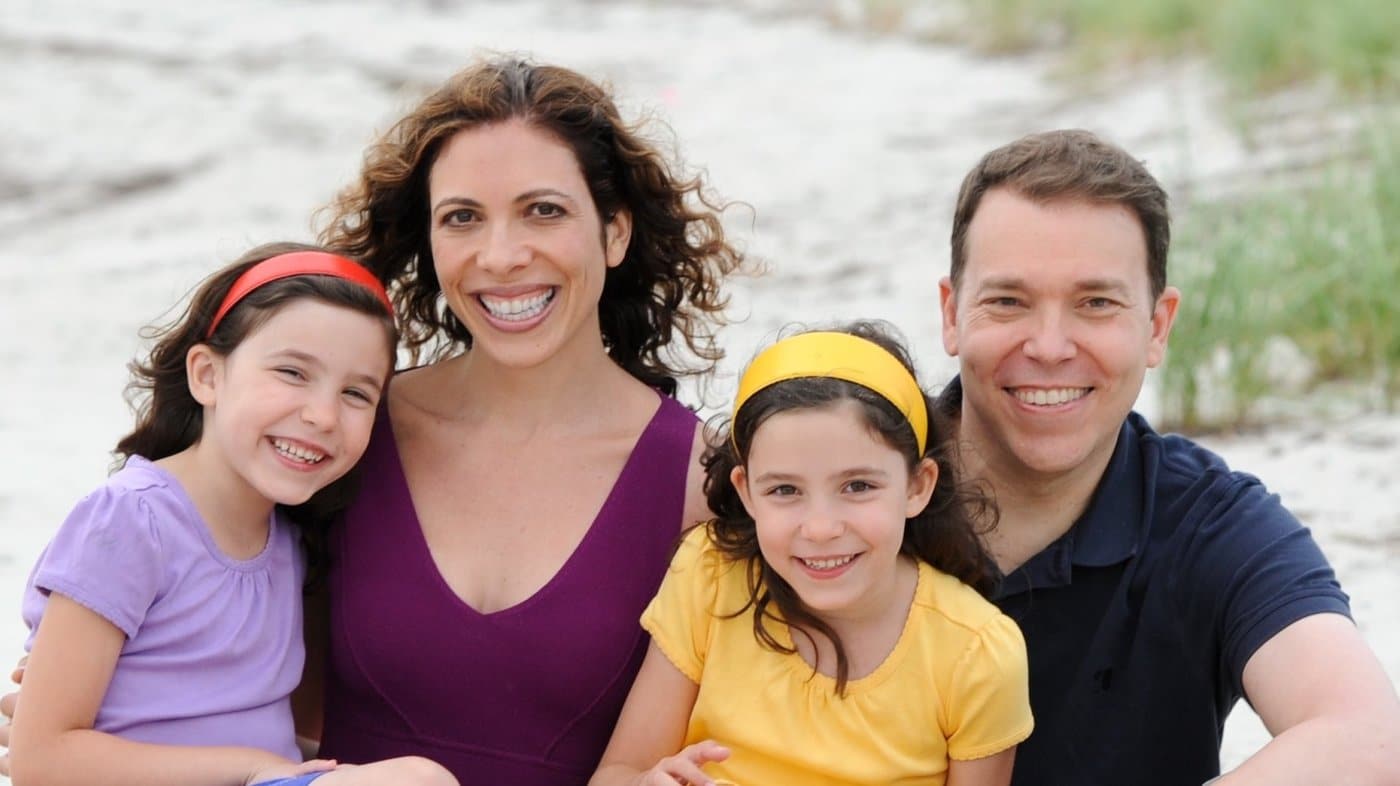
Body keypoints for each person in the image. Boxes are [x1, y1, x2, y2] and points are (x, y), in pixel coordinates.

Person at [1, 57, 743, 785]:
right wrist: (97, 705)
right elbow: (216, 626)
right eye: (462, 218)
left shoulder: (696, 483)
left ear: (613, 233)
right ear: (430, 240)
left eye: (543, 210)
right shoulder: (342, 431)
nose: (501, 254)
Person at [936, 129, 1400, 785]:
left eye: (1095, 303)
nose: (1048, 345)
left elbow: (1370, 740)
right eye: (1008, 301)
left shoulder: (1209, 521)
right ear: (952, 314)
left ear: (1157, 325)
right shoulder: (840, 488)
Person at [6, 243, 458, 786]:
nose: (321, 415)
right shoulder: (131, 520)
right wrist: (253, 767)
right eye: (292, 372)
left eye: (356, 393)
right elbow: (40, 759)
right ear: (207, 375)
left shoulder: (291, 536)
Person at [590, 321, 1034, 786]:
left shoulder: (976, 653)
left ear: (917, 486)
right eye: (785, 489)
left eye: (857, 486)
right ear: (746, 492)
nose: (821, 528)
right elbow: (616, 772)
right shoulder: (711, 573)